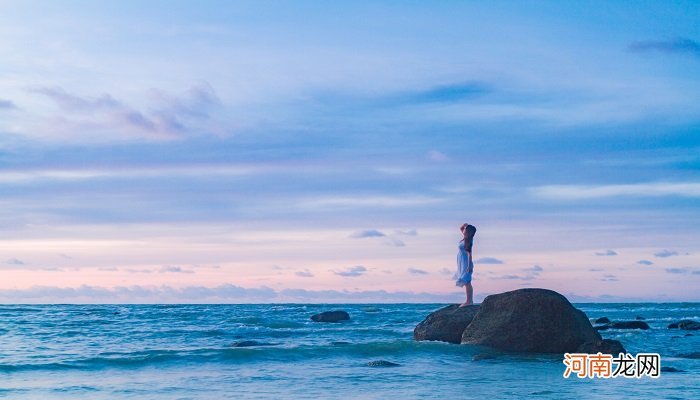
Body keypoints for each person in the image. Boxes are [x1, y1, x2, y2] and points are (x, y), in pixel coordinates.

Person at [455, 223, 477, 306]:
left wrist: (469, 266)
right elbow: (461, 228)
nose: (463, 230)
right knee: (466, 282)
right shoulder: (465, 238)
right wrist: (465, 225)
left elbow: (469, 254)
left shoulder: (469, 241)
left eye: (465, 229)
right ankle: (469, 300)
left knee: (467, 281)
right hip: (461, 262)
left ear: (467, 232)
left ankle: (469, 301)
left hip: (466, 263)